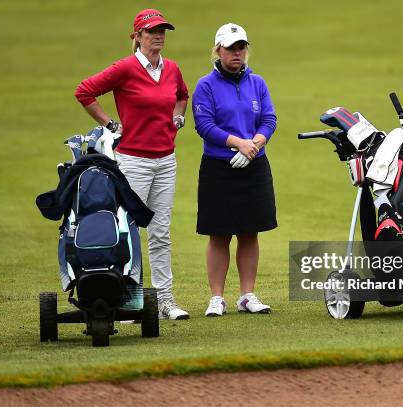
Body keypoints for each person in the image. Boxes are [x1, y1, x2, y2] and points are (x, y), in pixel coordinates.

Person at [75, 9, 190, 320]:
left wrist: (178, 116)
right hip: (133, 162)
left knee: (161, 232)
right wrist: (110, 124)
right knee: (128, 231)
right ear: (137, 37)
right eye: (152, 31)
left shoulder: (172, 69)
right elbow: (84, 91)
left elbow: (182, 95)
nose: (158, 36)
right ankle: (130, 301)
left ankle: (165, 301)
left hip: (166, 160)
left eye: (162, 31)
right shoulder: (125, 68)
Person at [192, 23, 277, 317]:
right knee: (219, 233)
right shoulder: (206, 86)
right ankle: (216, 297)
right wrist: (238, 143)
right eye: (231, 48)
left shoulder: (258, 83)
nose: (237, 53)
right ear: (218, 51)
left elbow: (269, 119)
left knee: (250, 231)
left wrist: (254, 144)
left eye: (241, 47)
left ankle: (247, 294)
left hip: (253, 165)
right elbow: (205, 126)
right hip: (219, 166)